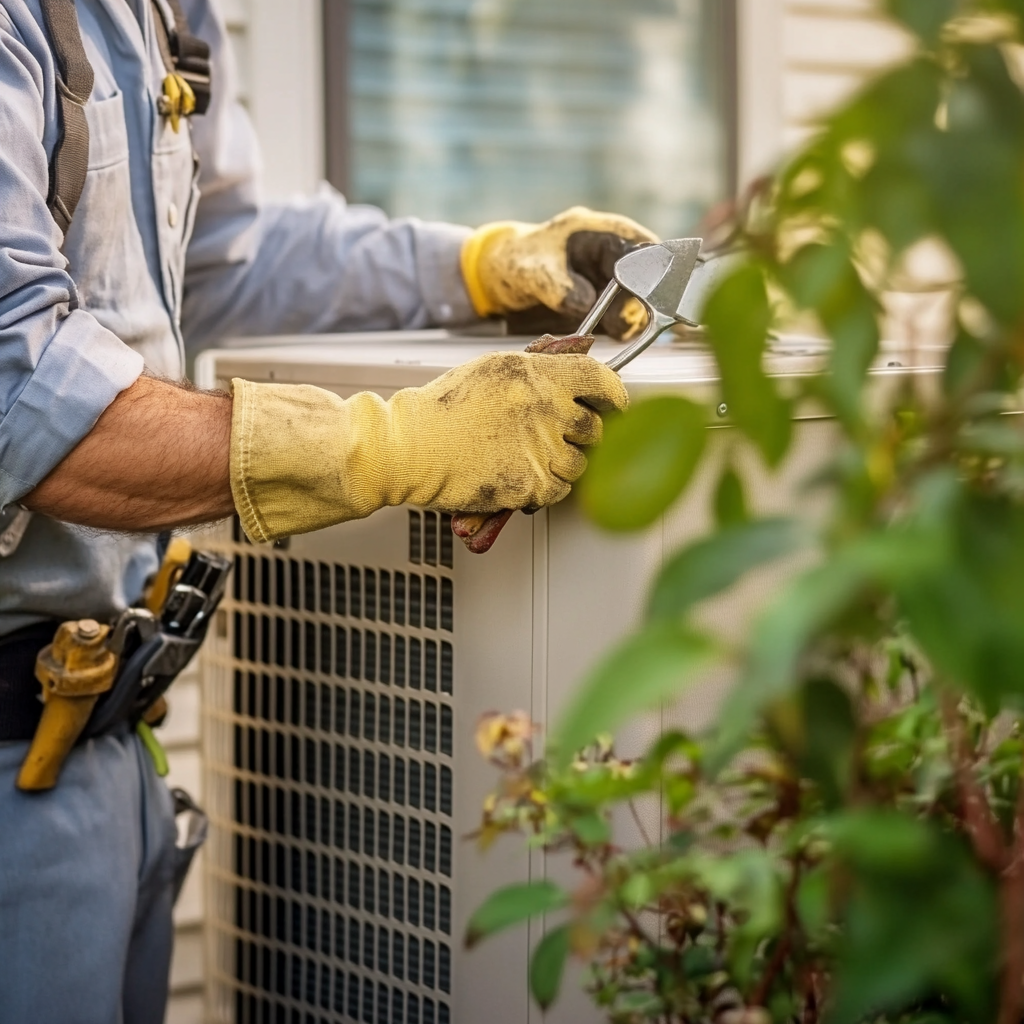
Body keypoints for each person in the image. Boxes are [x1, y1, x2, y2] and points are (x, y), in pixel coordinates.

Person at [0, 0, 657, 1021]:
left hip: (99, 737)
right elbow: (21, 401)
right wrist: (392, 446)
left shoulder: (158, 12)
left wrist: (477, 268)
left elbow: (227, 262)